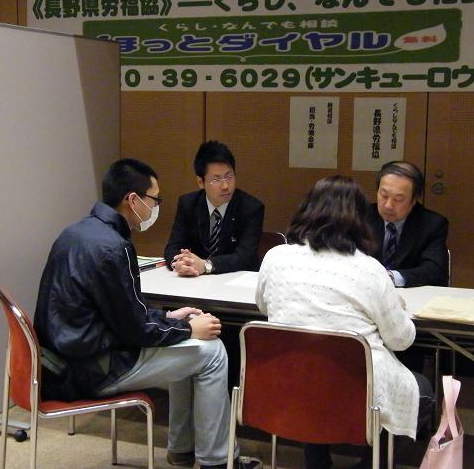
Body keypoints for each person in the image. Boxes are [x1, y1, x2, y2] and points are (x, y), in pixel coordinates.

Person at [34, 158, 261, 469]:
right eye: (154, 199)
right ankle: (216, 461)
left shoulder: (76, 232)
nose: (156, 207)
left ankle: (182, 450)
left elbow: (124, 313)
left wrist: (169, 319)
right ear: (133, 200)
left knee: (188, 346)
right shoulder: (113, 247)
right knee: (213, 352)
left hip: (65, 359)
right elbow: (135, 330)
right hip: (93, 367)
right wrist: (187, 329)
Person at [256, 176, 434, 469]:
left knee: (313, 372)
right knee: (423, 390)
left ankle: (316, 462)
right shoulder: (370, 270)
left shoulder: (275, 257)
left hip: (288, 382)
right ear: (359, 220)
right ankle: (369, 464)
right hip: (355, 392)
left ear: (307, 209)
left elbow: (263, 306)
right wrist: (397, 308)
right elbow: (401, 340)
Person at [164, 140, 264, 276]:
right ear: (200, 182)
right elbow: (172, 247)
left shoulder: (251, 208)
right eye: (216, 180)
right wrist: (180, 264)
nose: (225, 186)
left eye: (229, 177)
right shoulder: (188, 204)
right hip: (197, 281)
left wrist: (207, 266)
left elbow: (244, 256)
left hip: (237, 280)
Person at [368, 161, 449, 287]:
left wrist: (391, 278)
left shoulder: (432, 224)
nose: (388, 205)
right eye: (384, 195)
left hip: (412, 294)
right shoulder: (360, 217)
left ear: (414, 200)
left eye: (398, 199)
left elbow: (435, 271)